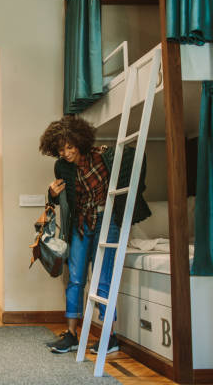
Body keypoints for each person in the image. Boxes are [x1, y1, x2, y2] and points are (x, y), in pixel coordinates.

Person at [39, 116, 150, 354]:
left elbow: (137, 158)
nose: (66, 153)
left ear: (80, 141)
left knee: (102, 278)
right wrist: (51, 196)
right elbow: (65, 200)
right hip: (80, 222)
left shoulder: (104, 156)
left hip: (107, 220)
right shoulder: (62, 166)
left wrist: (135, 195)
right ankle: (71, 335)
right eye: (61, 149)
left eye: (70, 147)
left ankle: (109, 337)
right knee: (76, 278)